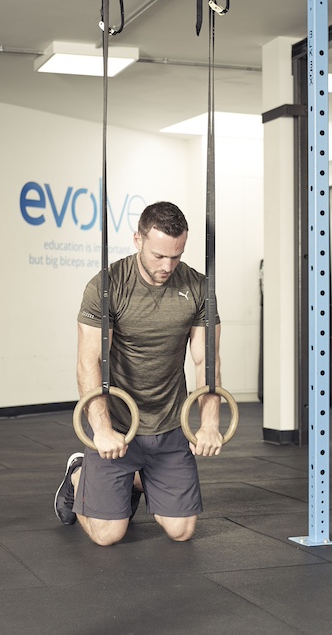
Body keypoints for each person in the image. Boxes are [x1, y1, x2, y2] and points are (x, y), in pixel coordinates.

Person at [54, 200, 224, 546]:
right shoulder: (107, 285)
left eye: (176, 256)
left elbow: (208, 362)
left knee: (182, 531)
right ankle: (78, 475)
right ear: (138, 239)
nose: (168, 266)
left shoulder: (198, 288)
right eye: (159, 256)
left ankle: (132, 480)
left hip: (169, 424)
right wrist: (100, 430)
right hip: (117, 423)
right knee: (107, 536)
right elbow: (90, 363)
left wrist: (208, 423)